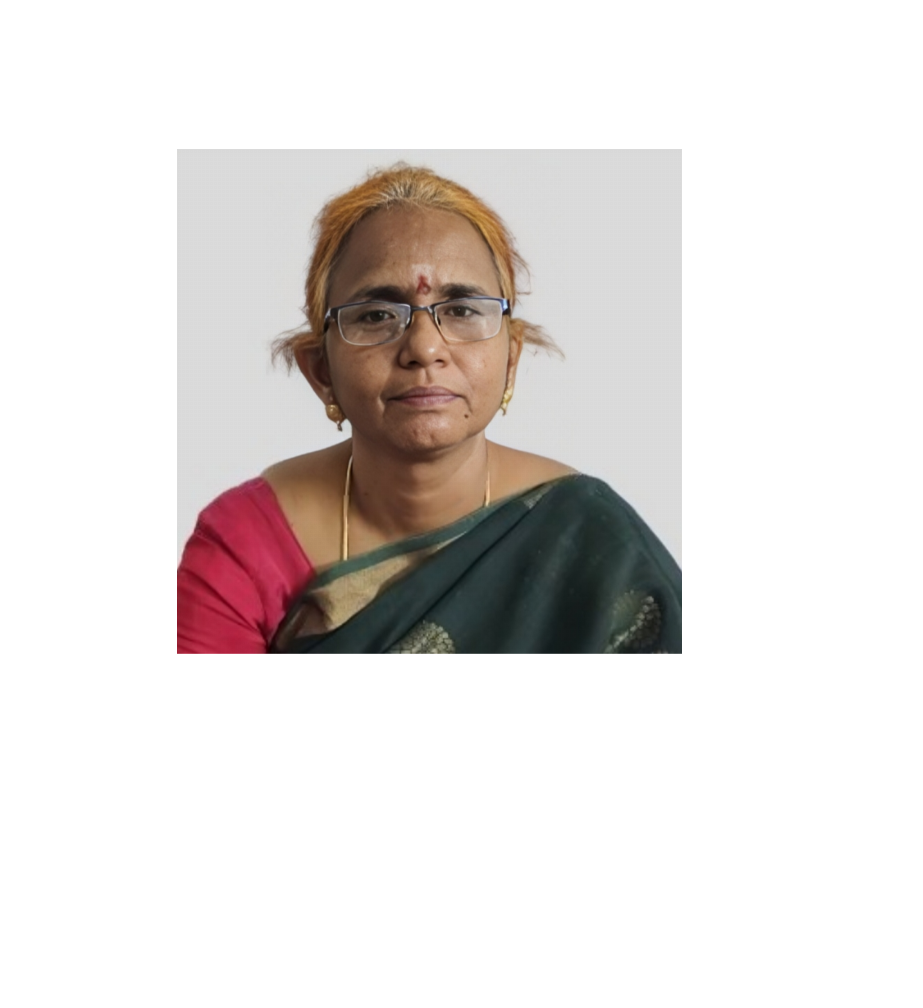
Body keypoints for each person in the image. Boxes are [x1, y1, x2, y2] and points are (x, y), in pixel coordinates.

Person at [177, 163, 681, 655]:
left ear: (511, 360)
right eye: (377, 315)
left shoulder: (587, 538)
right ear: (320, 370)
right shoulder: (245, 544)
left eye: (461, 310)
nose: (424, 347)